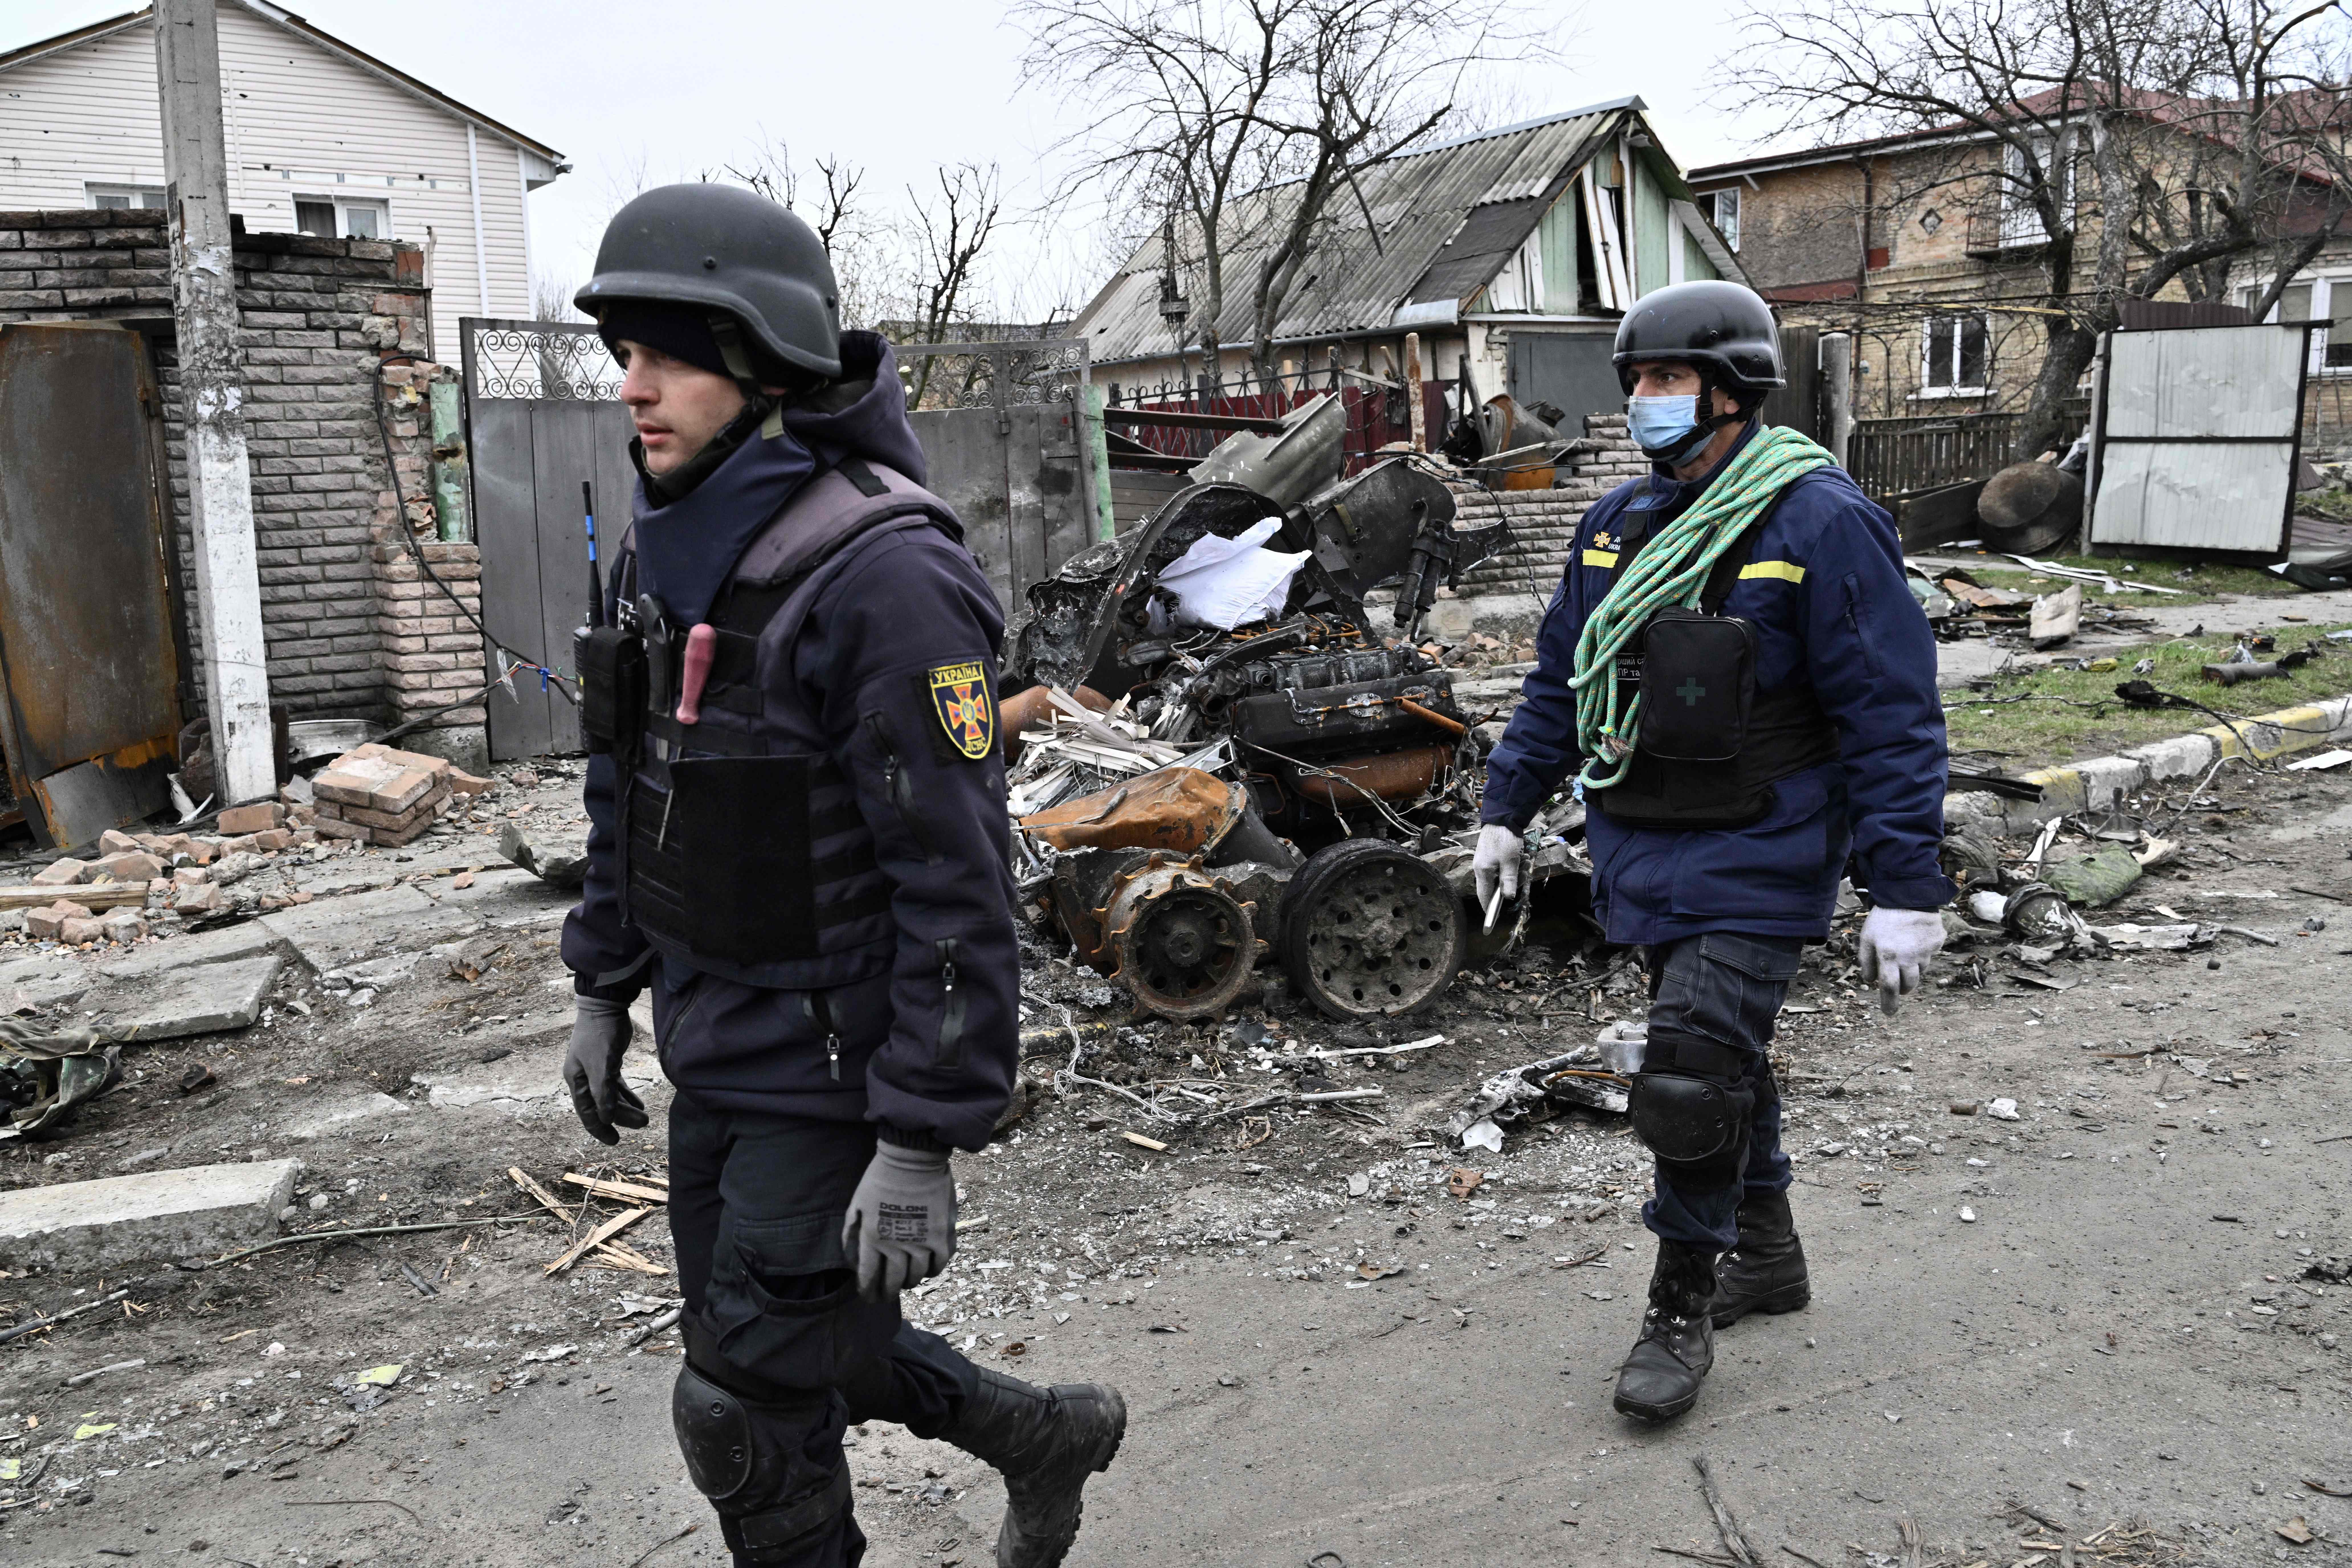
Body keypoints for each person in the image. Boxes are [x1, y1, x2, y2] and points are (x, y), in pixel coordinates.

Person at [557, 183, 1125, 1567]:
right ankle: (1040, 1433)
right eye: (623, 351)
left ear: (763, 365)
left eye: (670, 353)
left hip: (836, 1066)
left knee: (741, 1401)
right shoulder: (658, 544)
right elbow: (628, 786)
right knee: (796, 1339)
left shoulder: (883, 572)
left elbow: (956, 877)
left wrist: (922, 1129)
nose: (632, 386)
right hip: (718, 1032)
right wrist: (602, 979)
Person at [1471, 280, 1954, 1422]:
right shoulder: (1615, 527)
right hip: (1640, 843)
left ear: (1735, 391)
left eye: (1670, 379)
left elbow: (1892, 713)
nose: (1646, 400)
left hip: (1766, 840)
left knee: (1687, 1071)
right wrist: (1505, 804)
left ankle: (1678, 1306)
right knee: (1722, 1064)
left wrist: (1905, 887)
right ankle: (1770, 1252)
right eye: (1636, 380)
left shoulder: (1821, 522)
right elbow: (1561, 680)